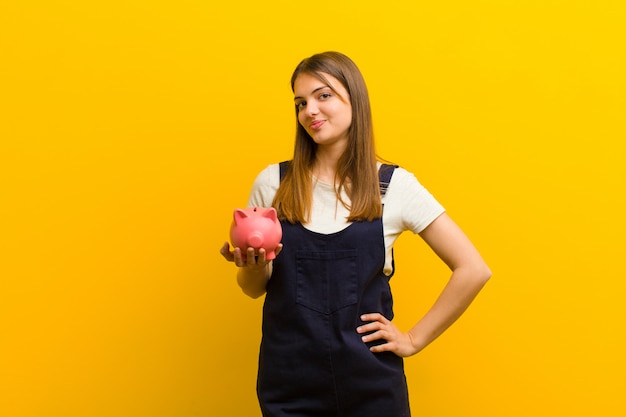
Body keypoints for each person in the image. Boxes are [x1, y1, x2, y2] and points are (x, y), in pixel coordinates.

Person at [220, 51, 491, 417]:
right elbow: (254, 288)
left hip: (372, 388)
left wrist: (413, 339)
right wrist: (250, 265)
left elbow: (473, 269)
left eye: (323, 95)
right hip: (289, 385)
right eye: (300, 103)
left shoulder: (394, 187)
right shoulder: (274, 184)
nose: (309, 111)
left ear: (354, 98)